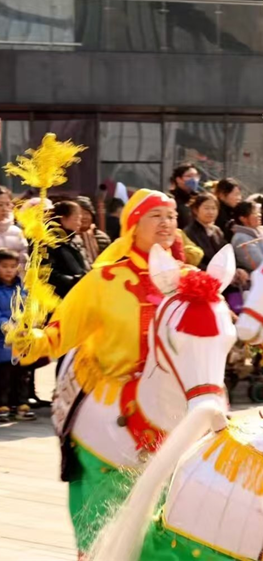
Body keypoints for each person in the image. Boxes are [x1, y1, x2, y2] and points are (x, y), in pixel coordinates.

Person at [15, 190, 179, 554]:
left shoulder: (188, 280)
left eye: (172, 216)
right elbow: (59, 333)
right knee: (103, 513)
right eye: (157, 216)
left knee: (165, 516)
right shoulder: (104, 281)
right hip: (109, 409)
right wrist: (31, 338)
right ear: (133, 226)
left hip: (170, 413)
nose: (167, 223)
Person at [0, 248, 31, 422]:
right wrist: (6, 325)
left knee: (22, 373)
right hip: (2, 339)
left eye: (13, 266)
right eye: (4, 266)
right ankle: (3, 404)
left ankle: (21, 403)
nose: (9, 270)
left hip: (19, 338)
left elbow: (26, 309)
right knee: (4, 374)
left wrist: (27, 324)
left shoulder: (21, 288)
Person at [47, 201, 88, 299]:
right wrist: (72, 280)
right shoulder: (47, 242)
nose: (79, 223)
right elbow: (47, 273)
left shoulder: (72, 241)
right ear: (63, 219)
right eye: (76, 219)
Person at [231, 201, 263, 273]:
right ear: (243, 218)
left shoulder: (261, 230)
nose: (259, 215)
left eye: (259, 212)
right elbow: (259, 263)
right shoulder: (241, 238)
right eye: (255, 213)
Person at [74, 196, 111, 267]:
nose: (84, 217)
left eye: (87, 213)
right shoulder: (68, 238)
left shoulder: (102, 237)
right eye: (80, 213)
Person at [0, 187, 27, 269]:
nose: (4, 209)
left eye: (7, 204)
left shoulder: (17, 232)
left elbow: (23, 261)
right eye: (0, 205)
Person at [170, 162, 201, 230]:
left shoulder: (199, 198)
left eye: (196, 176)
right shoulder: (171, 199)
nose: (194, 179)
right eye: (189, 176)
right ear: (178, 179)